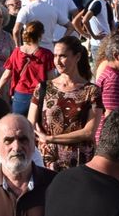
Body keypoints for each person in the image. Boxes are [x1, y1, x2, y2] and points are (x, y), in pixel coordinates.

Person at [31, 36, 101, 172]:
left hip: (80, 164)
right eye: (55, 56)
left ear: (77, 57)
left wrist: (50, 138)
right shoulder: (43, 88)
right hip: (47, 163)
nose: (57, 61)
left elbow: (89, 132)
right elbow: (30, 124)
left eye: (63, 56)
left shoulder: (91, 91)